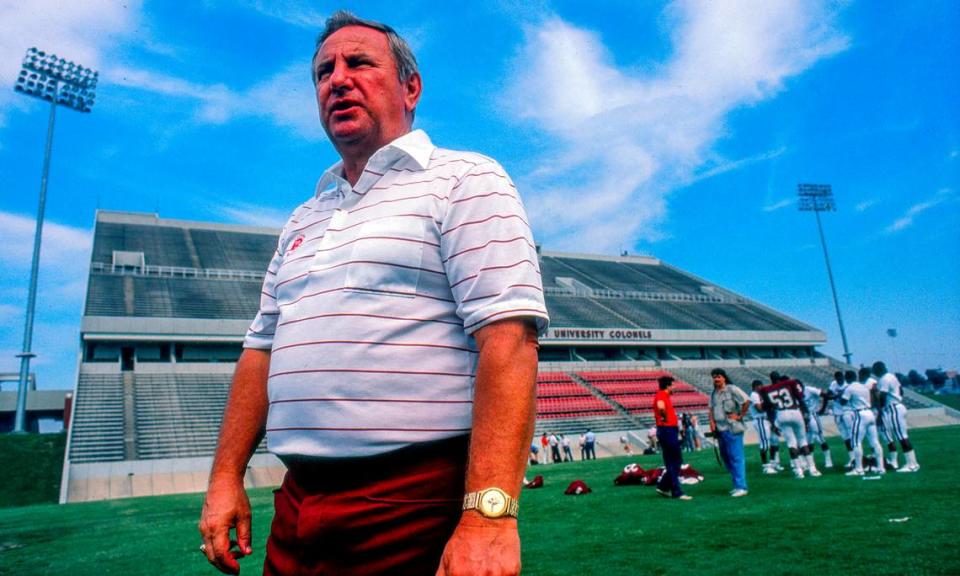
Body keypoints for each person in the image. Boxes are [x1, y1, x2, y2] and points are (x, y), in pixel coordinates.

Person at [198, 11, 549, 576]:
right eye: (322, 71)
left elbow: (509, 341)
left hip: (414, 500)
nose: (337, 79)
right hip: (299, 501)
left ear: (410, 87)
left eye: (359, 62)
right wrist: (223, 478)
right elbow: (260, 351)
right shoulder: (301, 219)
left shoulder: (465, 180)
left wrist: (489, 515)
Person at [759, 372, 821, 479]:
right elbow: (800, 399)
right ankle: (812, 469)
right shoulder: (789, 384)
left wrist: (773, 423)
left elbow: (768, 409)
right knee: (803, 441)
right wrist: (806, 414)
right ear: (779, 378)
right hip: (794, 411)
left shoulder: (767, 389)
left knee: (791, 443)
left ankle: (798, 471)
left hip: (781, 414)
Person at [708, 368, 751, 497]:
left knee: (736, 457)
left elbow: (746, 401)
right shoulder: (713, 393)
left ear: (724, 378)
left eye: (719, 377)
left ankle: (741, 487)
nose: (716, 379)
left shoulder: (732, 389)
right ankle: (736, 483)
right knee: (726, 458)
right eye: (714, 377)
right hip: (721, 430)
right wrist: (712, 422)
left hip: (732, 428)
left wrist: (740, 415)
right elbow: (711, 409)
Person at [874, 361, 920, 472]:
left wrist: (880, 411)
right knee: (902, 436)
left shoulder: (884, 379)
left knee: (901, 437)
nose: (875, 373)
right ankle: (912, 463)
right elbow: (901, 391)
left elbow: (883, 396)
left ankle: (911, 464)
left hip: (893, 408)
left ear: (878, 370)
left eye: (875, 371)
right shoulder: (892, 376)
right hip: (898, 405)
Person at [840, 370, 886, 476]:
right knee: (875, 441)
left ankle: (859, 469)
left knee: (856, 442)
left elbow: (843, 401)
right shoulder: (864, 386)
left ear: (847, 378)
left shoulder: (850, 388)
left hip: (860, 414)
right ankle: (880, 467)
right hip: (869, 413)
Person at [654, 376, 692, 500]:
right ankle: (676, 491)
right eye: (673, 385)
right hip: (667, 430)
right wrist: (664, 417)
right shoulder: (661, 395)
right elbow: (660, 407)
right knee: (675, 461)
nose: (674, 388)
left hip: (667, 430)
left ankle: (663, 486)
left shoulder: (664, 396)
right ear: (668, 386)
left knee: (671, 461)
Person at [749, 380, 780, 474]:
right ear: (755, 387)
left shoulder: (762, 395)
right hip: (760, 420)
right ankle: (766, 466)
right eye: (759, 386)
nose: (761, 387)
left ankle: (773, 463)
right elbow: (759, 409)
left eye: (761, 385)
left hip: (767, 420)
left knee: (774, 441)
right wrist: (769, 405)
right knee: (765, 443)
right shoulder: (754, 395)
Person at [801, 380, 833, 469]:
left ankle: (828, 459)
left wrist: (822, 409)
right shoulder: (797, 393)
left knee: (820, 438)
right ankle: (810, 462)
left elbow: (825, 396)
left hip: (813, 415)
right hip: (805, 417)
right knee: (808, 440)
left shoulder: (810, 390)